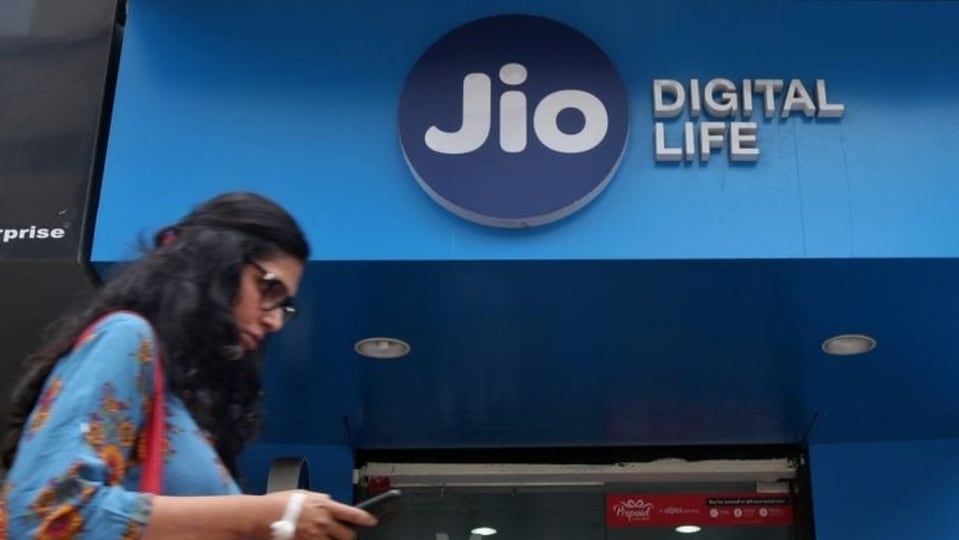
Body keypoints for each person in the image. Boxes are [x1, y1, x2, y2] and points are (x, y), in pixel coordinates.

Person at [0, 192, 376, 539]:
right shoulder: (127, 336)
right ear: (216, 262)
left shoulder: (183, 397)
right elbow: (45, 512)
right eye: (269, 288)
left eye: (284, 306)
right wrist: (261, 514)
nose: (275, 321)